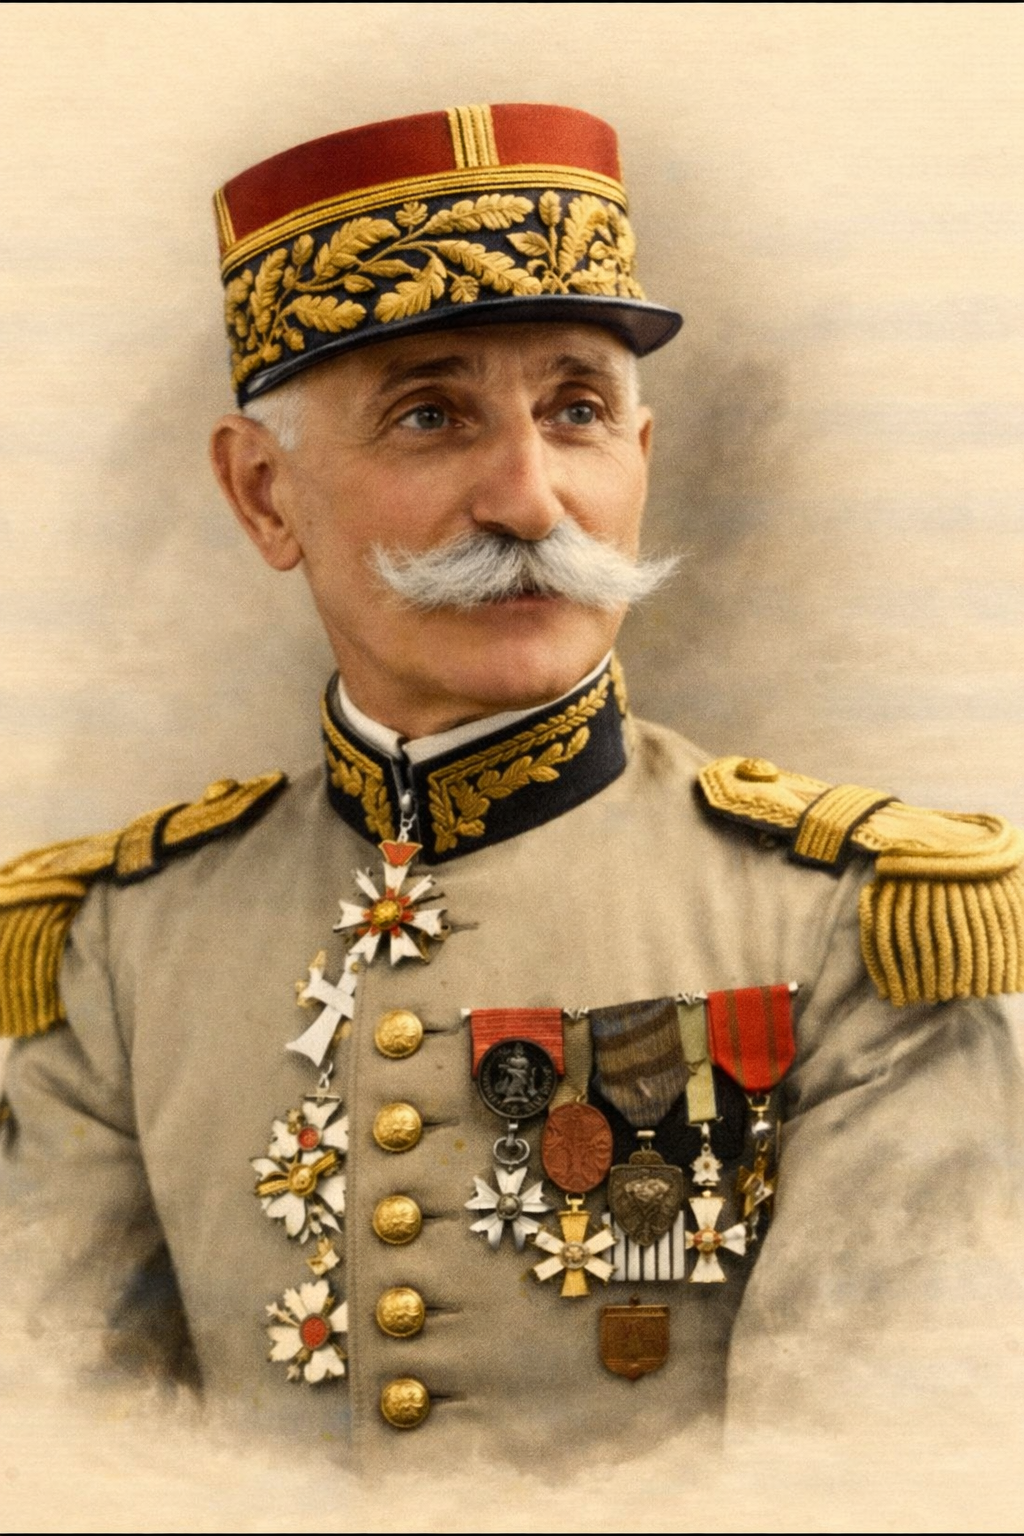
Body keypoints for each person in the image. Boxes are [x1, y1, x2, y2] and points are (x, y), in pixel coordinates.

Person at [1, 102, 1022, 1471]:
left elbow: (876, 1474)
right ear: (263, 497)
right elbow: (62, 1454)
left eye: (578, 412)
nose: (531, 499)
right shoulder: (123, 946)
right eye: (432, 416)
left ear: (640, 463)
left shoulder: (849, 929)